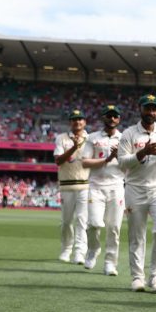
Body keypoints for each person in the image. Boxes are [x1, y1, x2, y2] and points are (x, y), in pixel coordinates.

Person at [118, 94, 156, 293]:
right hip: (135, 189)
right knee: (137, 235)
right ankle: (137, 277)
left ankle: (155, 276)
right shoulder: (129, 134)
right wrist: (142, 153)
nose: (150, 112)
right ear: (140, 109)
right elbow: (121, 162)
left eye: (154, 108)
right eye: (147, 108)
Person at [81, 105, 125, 276]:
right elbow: (85, 162)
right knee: (94, 224)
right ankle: (93, 249)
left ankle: (110, 263)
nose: (112, 119)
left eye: (115, 116)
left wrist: (120, 157)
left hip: (116, 186)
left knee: (114, 227)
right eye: (109, 116)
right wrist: (107, 159)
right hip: (96, 186)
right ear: (103, 118)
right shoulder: (92, 137)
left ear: (119, 119)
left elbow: (130, 164)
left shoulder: (124, 138)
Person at [53, 109, 90, 264]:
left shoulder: (91, 139)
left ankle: (80, 252)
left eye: (80, 119)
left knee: (82, 220)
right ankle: (66, 249)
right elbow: (58, 161)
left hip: (85, 185)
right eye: (74, 119)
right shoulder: (61, 138)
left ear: (85, 122)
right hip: (67, 185)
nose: (77, 121)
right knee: (66, 221)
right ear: (70, 122)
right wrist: (74, 147)